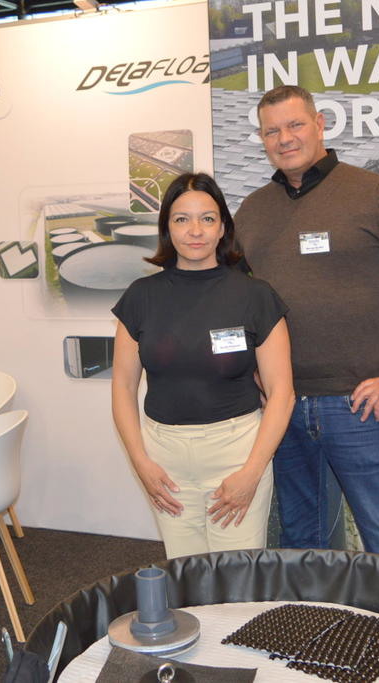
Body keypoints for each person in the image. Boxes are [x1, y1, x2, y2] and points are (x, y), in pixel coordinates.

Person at [233, 85, 379, 557]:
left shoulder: (372, 194)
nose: (285, 138)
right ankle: (313, 609)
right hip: (283, 409)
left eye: (295, 124)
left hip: (360, 408)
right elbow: (233, 301)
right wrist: (251, 371)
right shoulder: (253, 211)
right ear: (262, 139)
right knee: (301, 545)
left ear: (320, 124)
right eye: (272, 131)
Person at [111, 172, 296, 558]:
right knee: (186, 572)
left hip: (237, 454)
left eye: (207, 219)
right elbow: (123, 387)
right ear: (167, 228)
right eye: (182, 219)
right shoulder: (141, 297)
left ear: (223, 227)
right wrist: (141, 462)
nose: (195, 231)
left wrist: (252, 472)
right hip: (164, 460)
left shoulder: (255, 296)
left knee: (237, 574)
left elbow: (282, 393)